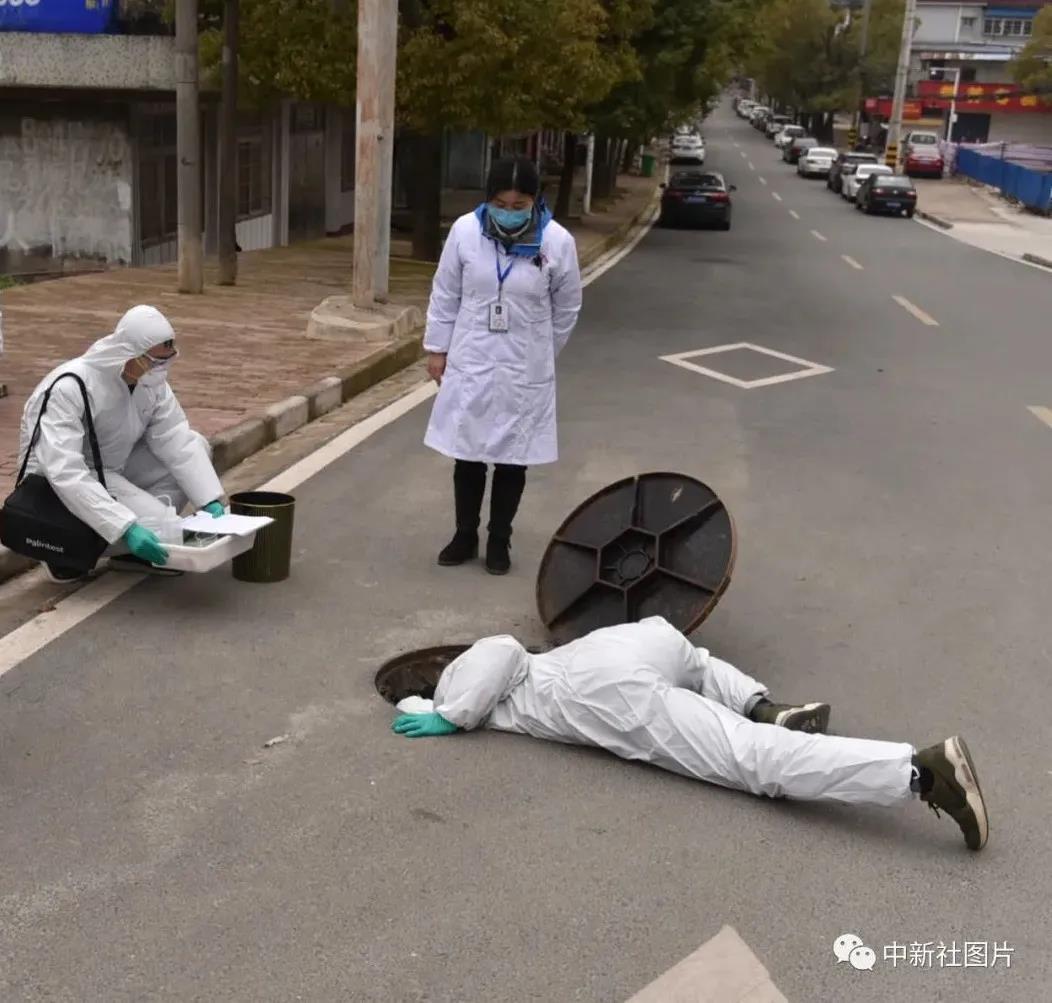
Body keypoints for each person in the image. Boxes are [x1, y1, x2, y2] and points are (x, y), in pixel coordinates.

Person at [392, 617, 989, 851]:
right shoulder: (535, 666)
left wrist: (452, 714)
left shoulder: (463, 681)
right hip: (635, 640)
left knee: (749, 760)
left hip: (602, 692)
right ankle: (762, 705)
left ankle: (920, 771)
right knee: (697, 666)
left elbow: (500, 650)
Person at [422, 156, 583, 575]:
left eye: (518, 205)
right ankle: (464, 534)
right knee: (468, 452)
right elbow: (445, 292)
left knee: (513, 457)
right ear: (488, 199)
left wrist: (542, 352)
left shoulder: (557, 242)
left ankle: (499, 539)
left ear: (534, 201)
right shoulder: (465, 232)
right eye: (501, 204)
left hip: (524, 367)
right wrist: (437, 349)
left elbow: (567, 307)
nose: (509, 212)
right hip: (472, 359)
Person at [17, 305, 226, 583]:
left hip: (110, 470)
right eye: (155, 361)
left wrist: (209, 499)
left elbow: (174, 436)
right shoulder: (70, 386)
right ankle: (65, 550)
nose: (161, 368)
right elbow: (64, 471)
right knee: (164, 527)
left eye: (167, 360)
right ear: (130, 353)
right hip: (55, 485)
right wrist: (125, 527)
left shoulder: (150, 381)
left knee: (196, 444)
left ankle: (129, 552)